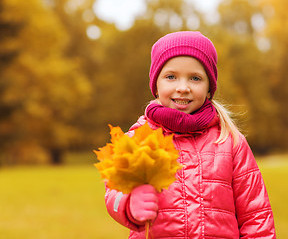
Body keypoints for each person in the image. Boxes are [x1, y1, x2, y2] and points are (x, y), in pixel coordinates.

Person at [104, 31, 276, 238]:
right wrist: (129, 202)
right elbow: (112, 193)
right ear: (156, 86)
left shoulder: (230, 141)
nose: (183, 87)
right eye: (171, 77)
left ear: (209, 88)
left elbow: (256, 215)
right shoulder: (138, 140)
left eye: (195, 78)